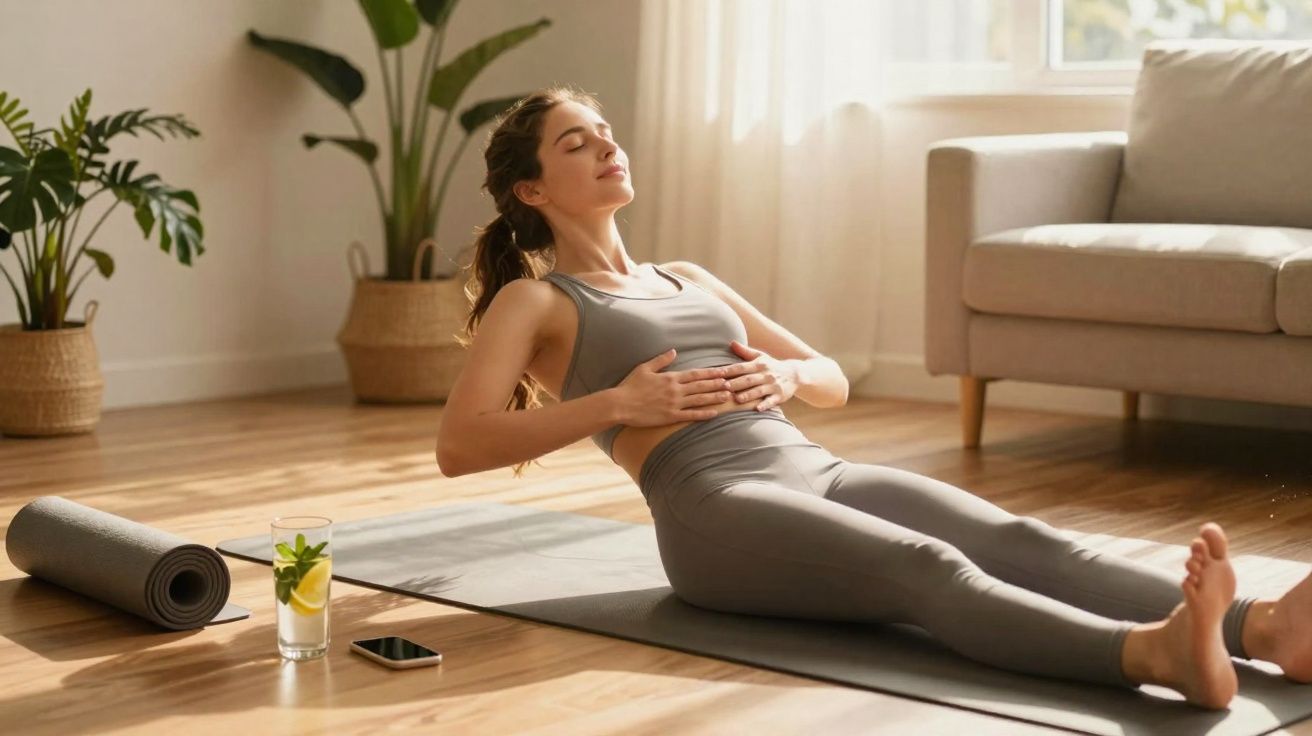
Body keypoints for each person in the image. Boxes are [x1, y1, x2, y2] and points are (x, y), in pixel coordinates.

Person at [435, 84, 1309, 710]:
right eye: (576, 142)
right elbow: (462, 445)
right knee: (924, 568)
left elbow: (833, 380)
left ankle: (1261, 628)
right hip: (716, 504)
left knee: (1018, 536)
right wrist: (617, 406)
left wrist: (784, 376)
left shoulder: (686, 276)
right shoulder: (538, 301)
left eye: (607, 131)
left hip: (819, 468)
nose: (606, 147)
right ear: (533, 190)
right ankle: (1147, 654)